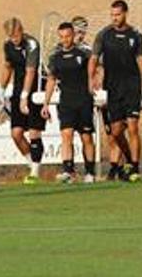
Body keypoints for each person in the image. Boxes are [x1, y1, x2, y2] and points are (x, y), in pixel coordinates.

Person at [89, 0, 142, 182]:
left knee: (133, 127)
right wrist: (91, 78)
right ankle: (128, 159)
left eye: (117, 14)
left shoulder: (136, 35)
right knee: (116, 131)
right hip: (113, 87)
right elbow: (94, 58)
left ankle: (135, 167)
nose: (114, 18)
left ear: (125, 13)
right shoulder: (104, 35)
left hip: (132, 86)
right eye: (112, 15)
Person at [43, 22, 97, 183]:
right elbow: (51, 80)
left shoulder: (83, 54)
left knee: (86, 137)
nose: (65, 40)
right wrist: (46, 103)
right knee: (66, 135)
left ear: (73, 35)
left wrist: (93, 83)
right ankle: (68, 171)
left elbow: (95, 70)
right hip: (66, 101)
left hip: (84, 101)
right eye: (62, 37)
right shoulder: (56, 58)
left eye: (67, 36)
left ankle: (90, 172)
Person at [0, 17, 46, 184]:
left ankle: (35, 171)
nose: (14, 39)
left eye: (16, 35)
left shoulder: (31, 44)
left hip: (34, 90)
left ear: (21, 30)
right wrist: (1, 89)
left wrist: (25, 97)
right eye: (11, 36)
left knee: (34, 131)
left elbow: (31, 71)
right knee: (16, 133)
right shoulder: (8, 45)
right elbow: (7, 67)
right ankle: (30, 162)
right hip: (18, 89)